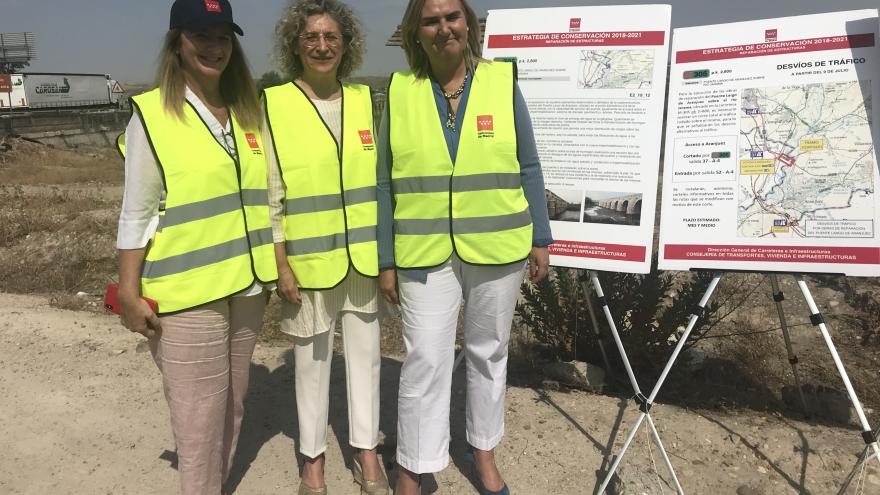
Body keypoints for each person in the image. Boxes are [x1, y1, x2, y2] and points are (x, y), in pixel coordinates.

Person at [376, 0, 553, 493]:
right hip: (423, 250)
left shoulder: (501, 82)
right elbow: (385, 182)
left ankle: (483, 452)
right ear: (416, 31)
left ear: (468, 25)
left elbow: (529, 164)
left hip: (497, 246)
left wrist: (540, 235)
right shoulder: (402, 91)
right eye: (430, 20)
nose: (443, 28)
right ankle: (413, 463)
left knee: (488, 353)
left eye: (451, 17)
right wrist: (386, 259)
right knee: (425, 358)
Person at [115, 1, 277, 493]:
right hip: (188, 294)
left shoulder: (249, 111)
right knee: (199, 417)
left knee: (232, 404)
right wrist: (128, 290)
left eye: (223, 35)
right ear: (176, 43)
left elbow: (267, 197)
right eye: (200, 34)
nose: (214, 45)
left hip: (246, 288)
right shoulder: (154, 116)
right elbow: (137, 212)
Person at [263, 1, 387, 494]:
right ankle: (311, 461)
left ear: (346, 44)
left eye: (331, 36)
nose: (321, 45)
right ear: (296, 43)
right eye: (311, 36)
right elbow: (270, 193)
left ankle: (367, 455)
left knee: (367, 361)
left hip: (361, 260)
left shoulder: (363, 99)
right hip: (308, 263)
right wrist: (280, 266)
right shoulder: (274, 102)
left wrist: (384, 259)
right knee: (311, 368)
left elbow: (376, 182)